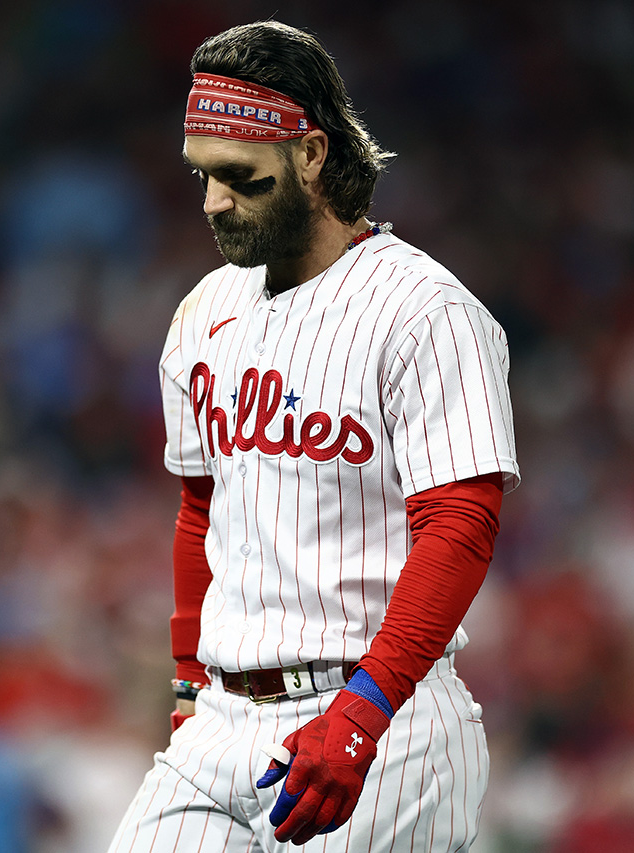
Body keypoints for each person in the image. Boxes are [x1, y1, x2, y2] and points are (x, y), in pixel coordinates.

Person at [108, 20, 520, 852]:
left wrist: (363, 713)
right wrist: (189, 685)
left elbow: (460, 524)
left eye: (238, 177)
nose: (212, 202)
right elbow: (202, 510)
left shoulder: (425, 312)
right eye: (202, 176)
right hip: (219, 721)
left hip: (378, 717)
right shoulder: (205, 312)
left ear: (311, 155)